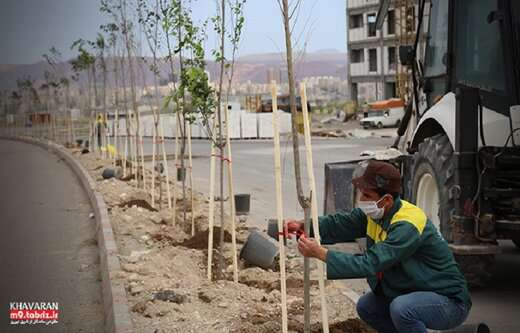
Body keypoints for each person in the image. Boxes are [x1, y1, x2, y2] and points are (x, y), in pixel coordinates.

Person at [285, 160, 471, 333]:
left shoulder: (408, 224)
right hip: (413, 292)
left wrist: (322, 254)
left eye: (367, 195)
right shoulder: (377, 214)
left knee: (403, 310)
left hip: (447, 301)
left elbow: (371, 263)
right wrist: (304, 225)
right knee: (368, 307)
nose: (361, 200)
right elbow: (341, 223)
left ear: (387, 200)